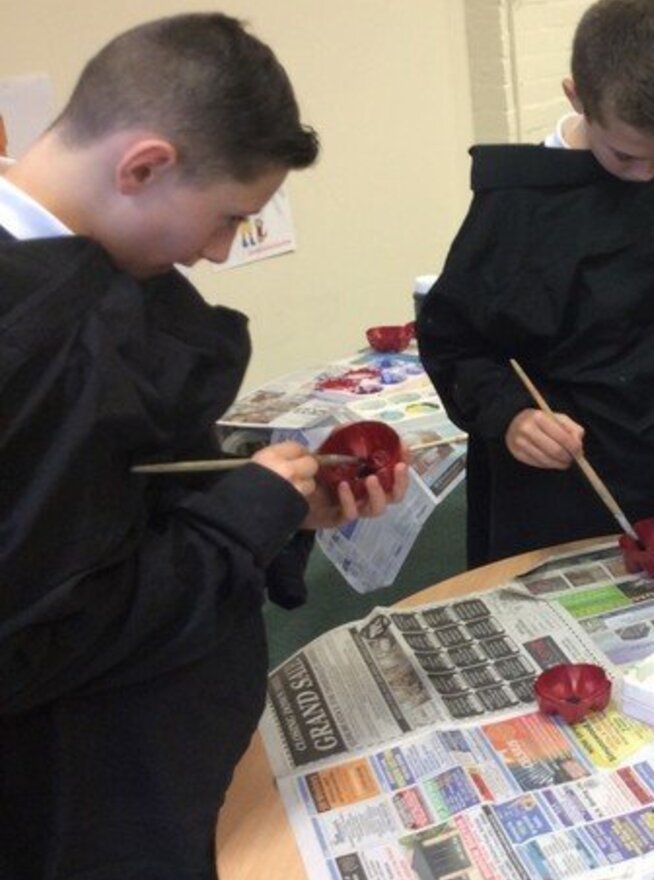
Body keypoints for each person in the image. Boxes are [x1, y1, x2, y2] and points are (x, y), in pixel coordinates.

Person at [0, 14, 407, 877]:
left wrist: (279, 512)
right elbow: (32, 640)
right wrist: (237, 522)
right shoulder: (35, 344)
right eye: (227, 218)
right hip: (78, 807)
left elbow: (114, 502)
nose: (220, 253)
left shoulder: (88, 290)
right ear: (143, 166)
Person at [419, 0, 654, 566]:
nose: (647, 176)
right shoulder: (515, 205)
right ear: (576, 97)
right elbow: (456, 340)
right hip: (548, 495)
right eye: (627, 155)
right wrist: (510, 414)